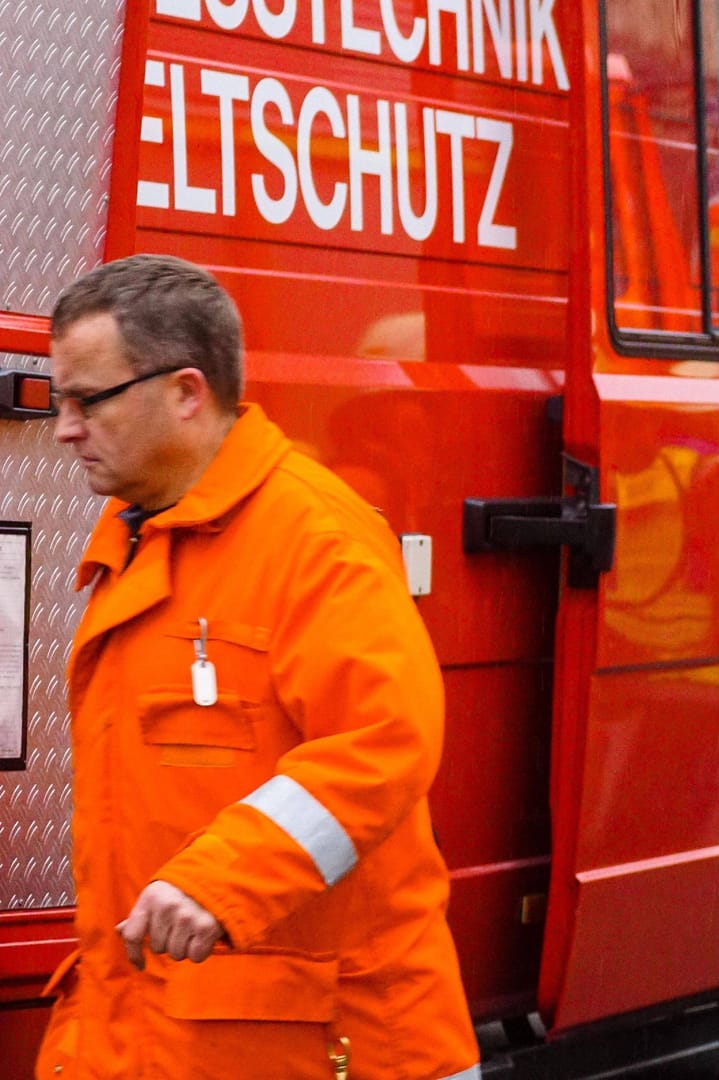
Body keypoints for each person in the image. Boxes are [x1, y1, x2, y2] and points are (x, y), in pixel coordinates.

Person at [36, 255, 479, 1079]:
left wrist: (220, 880)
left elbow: (382, 743)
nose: (64, 427)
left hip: (330, 1043)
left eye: (87, 400)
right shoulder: (139, 540)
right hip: (177, 1034)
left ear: (187, 392)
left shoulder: (315, 542)